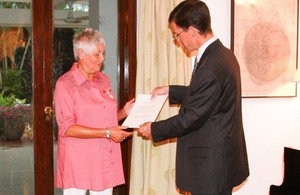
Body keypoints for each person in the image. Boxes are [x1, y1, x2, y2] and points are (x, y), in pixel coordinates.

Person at [137, 1, 249, 195]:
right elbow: (207, 96)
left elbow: (191, 117)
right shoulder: (223, 55)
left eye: (177, 34)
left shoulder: (210, 66)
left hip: (211, 167)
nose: (177, 41)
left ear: (192, 30)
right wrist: (171, 90)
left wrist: (154, 128)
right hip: (221, 159)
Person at [54, 28, 134, 195]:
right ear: (81, 54)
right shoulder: (65, 84)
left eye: (103, 54)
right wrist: (106, 133)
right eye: (97, 54)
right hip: (78, 161)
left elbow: (105, 117)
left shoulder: (104, 80)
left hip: (104, 158)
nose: (102, 59)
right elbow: (67, 128)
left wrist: (123, 113)